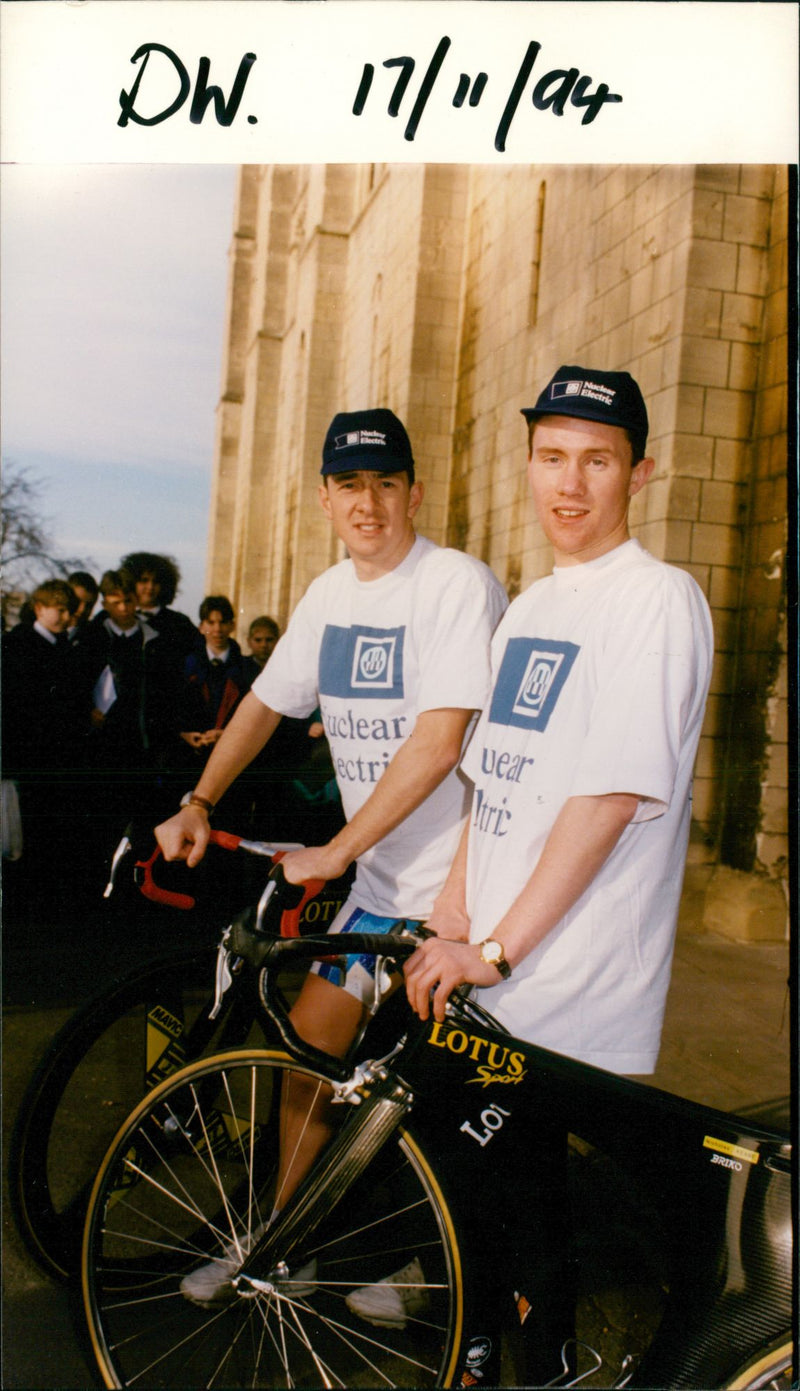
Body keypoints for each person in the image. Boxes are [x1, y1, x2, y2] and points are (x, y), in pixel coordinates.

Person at [396, 365, 714, 1384]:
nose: (566, 483)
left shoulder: (655, 599)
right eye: (548, 456)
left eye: (594, 459)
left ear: (638, 471)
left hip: (560, 984)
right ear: (526, 462)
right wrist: (453, 897)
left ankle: (529, 1357)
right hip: (492, 969)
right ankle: (507, 1351)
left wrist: (492, 947)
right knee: (490, 1215)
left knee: (510, 1214)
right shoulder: (531, 606)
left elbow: (605, 800)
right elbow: (495, 782)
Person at [155, 407, 507, 1304]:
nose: (369, 503)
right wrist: (200, 799)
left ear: (414, 492)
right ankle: (282, 1247)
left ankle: (440, 1276)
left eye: (386, 483)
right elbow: (264, 706)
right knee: (306, 1068)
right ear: (324, 498)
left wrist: (335, 850)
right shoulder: (325, 597)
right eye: (350, 485)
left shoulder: (454, 584)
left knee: (453, 1109)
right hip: (380, 890)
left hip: (468, 894)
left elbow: (437, 742)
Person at [120, 551, 199, 667]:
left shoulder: (180, 624)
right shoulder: (116, 619)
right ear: (132, 583)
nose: (150, 587)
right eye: (144, 580)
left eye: (156, 582)